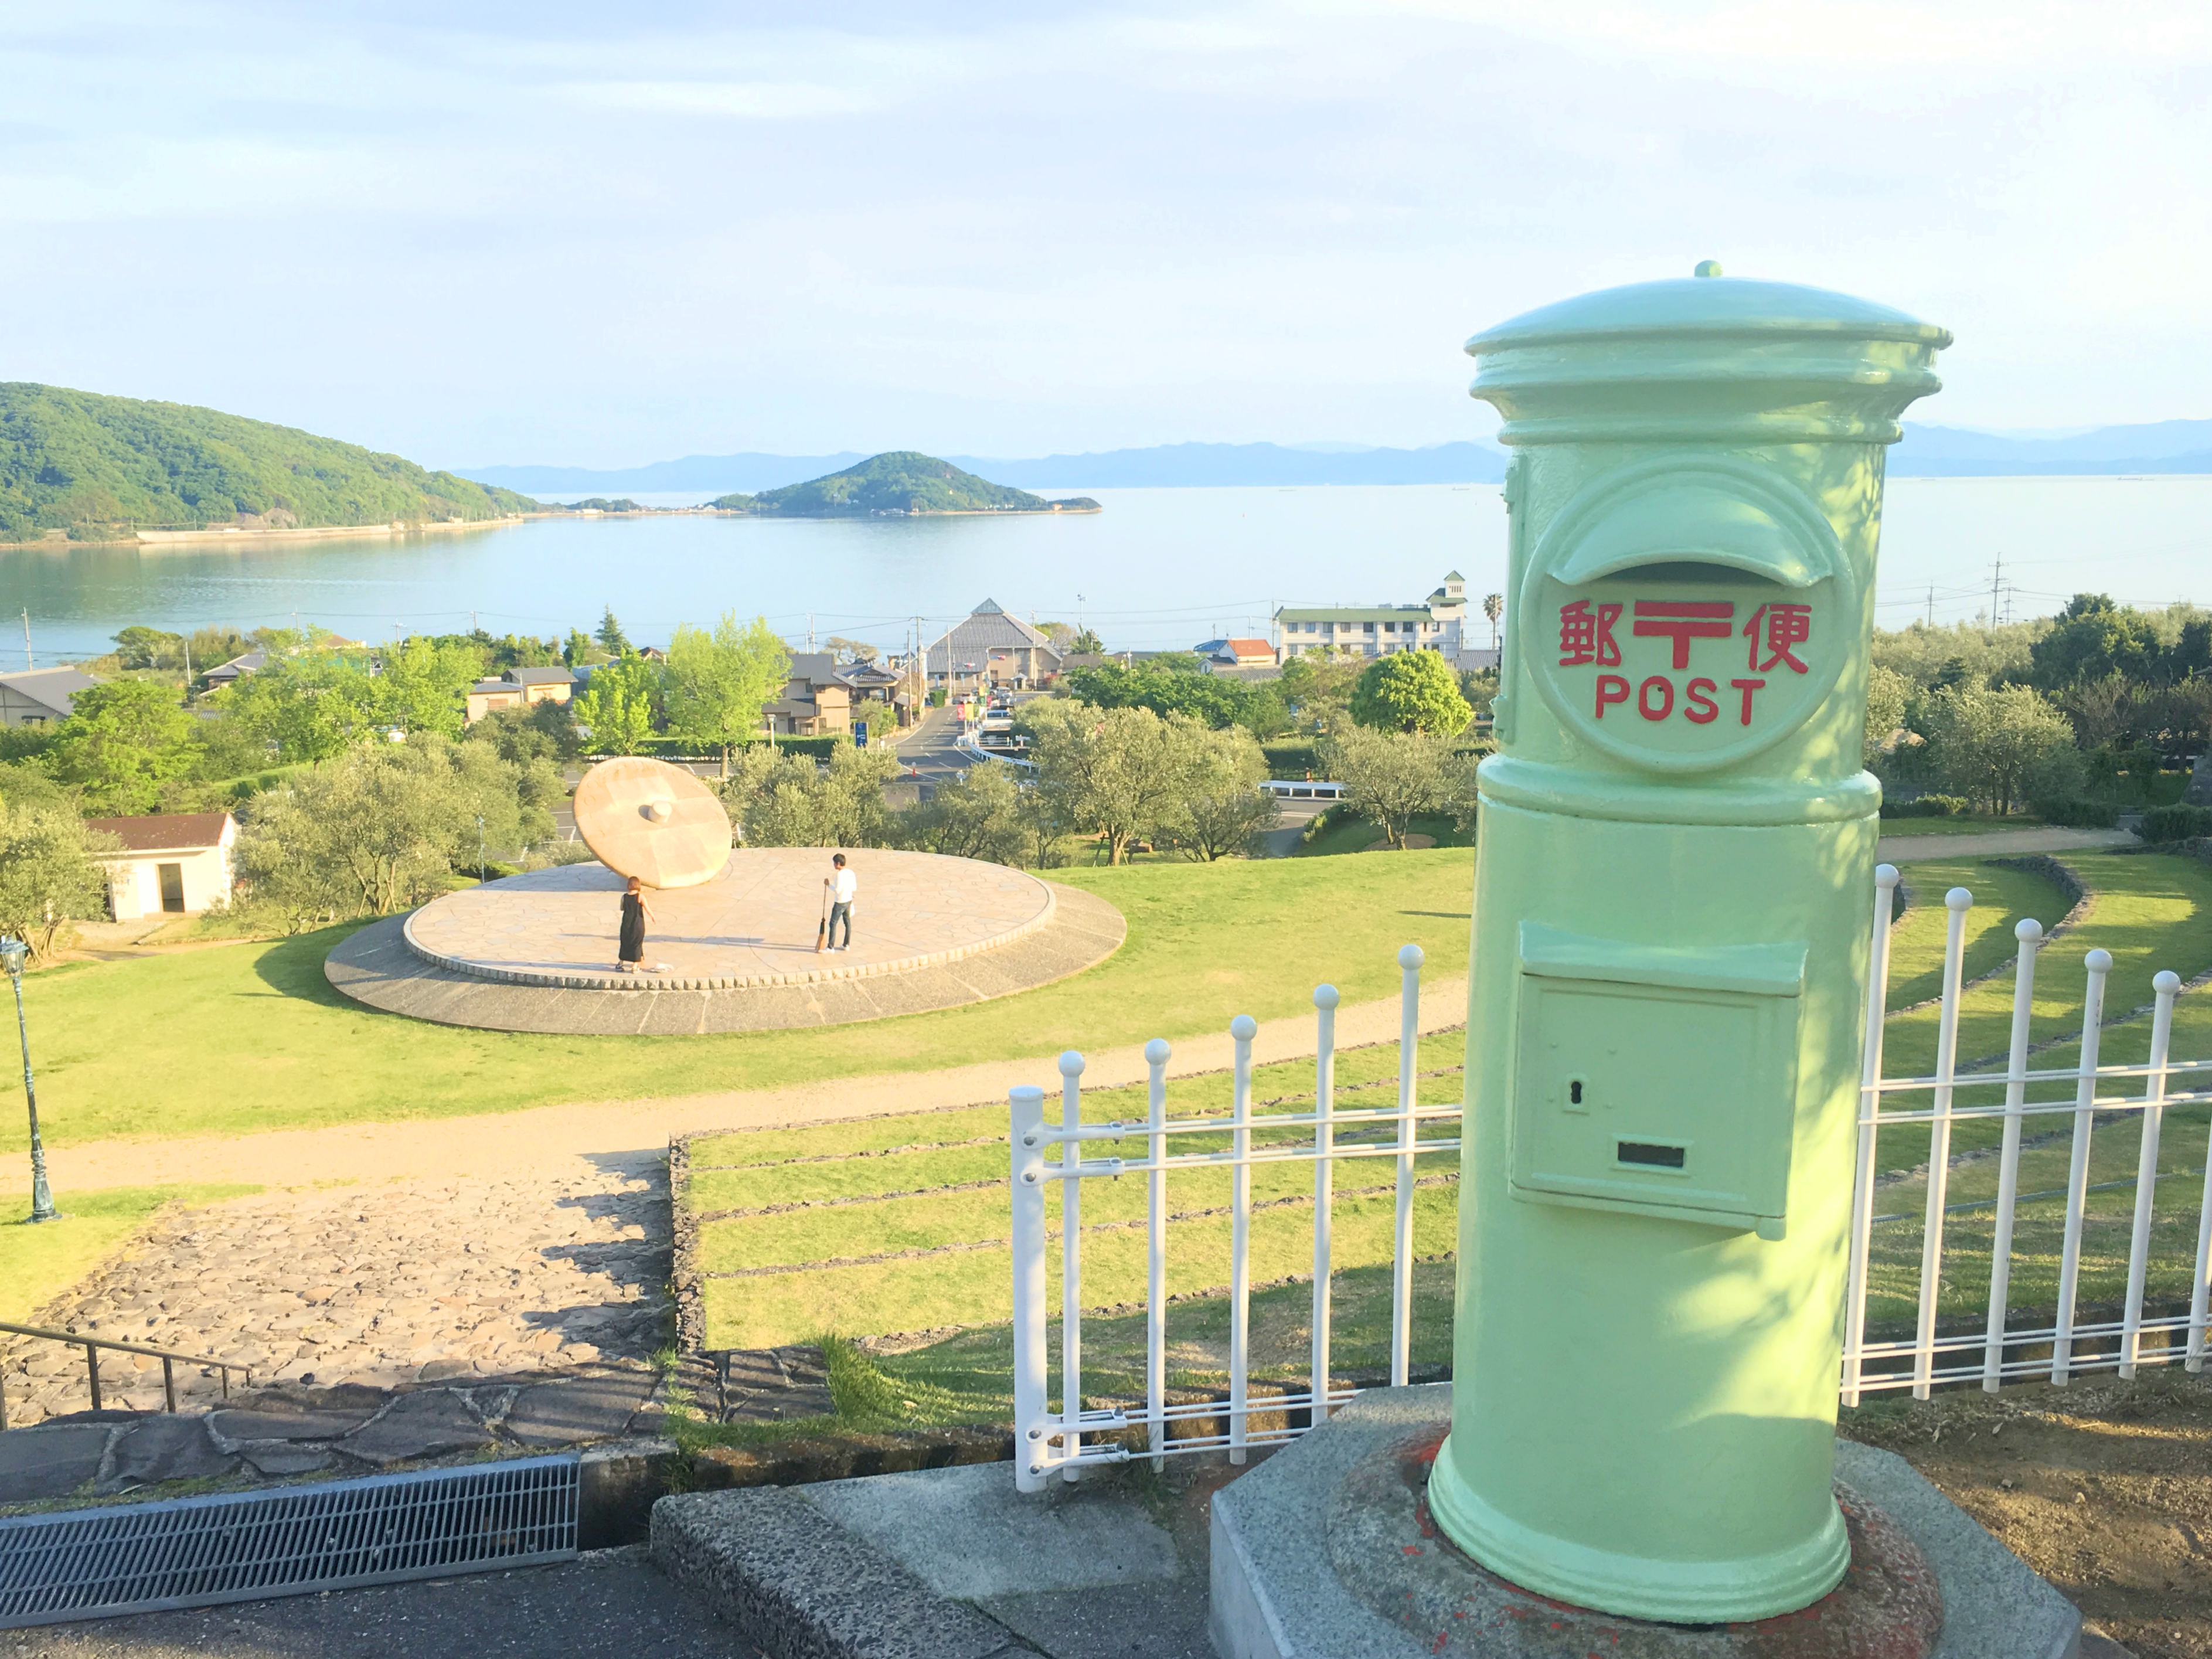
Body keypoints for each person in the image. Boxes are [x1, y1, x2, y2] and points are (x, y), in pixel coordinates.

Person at [617, 876, 656, 973]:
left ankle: (620, 963)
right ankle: (635, 966)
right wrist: (653, 917)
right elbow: (647, 908)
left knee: (625, 942)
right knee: (637, 943)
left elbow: (622, 908)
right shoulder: (640, 896)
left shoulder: (624, 897)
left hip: (626, 923)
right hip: (637, 923)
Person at [824, 853, 856, 952]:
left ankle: (830, 947)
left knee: (833, 923)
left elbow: (838, 890)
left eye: (834, 863)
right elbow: (855, 888)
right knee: (847, 922)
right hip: (849, 900)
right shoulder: (851, 872)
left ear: (838, 863)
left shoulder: (839, 875)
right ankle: (846, 944)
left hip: (840, 902)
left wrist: (828, 885)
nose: (834, 865)